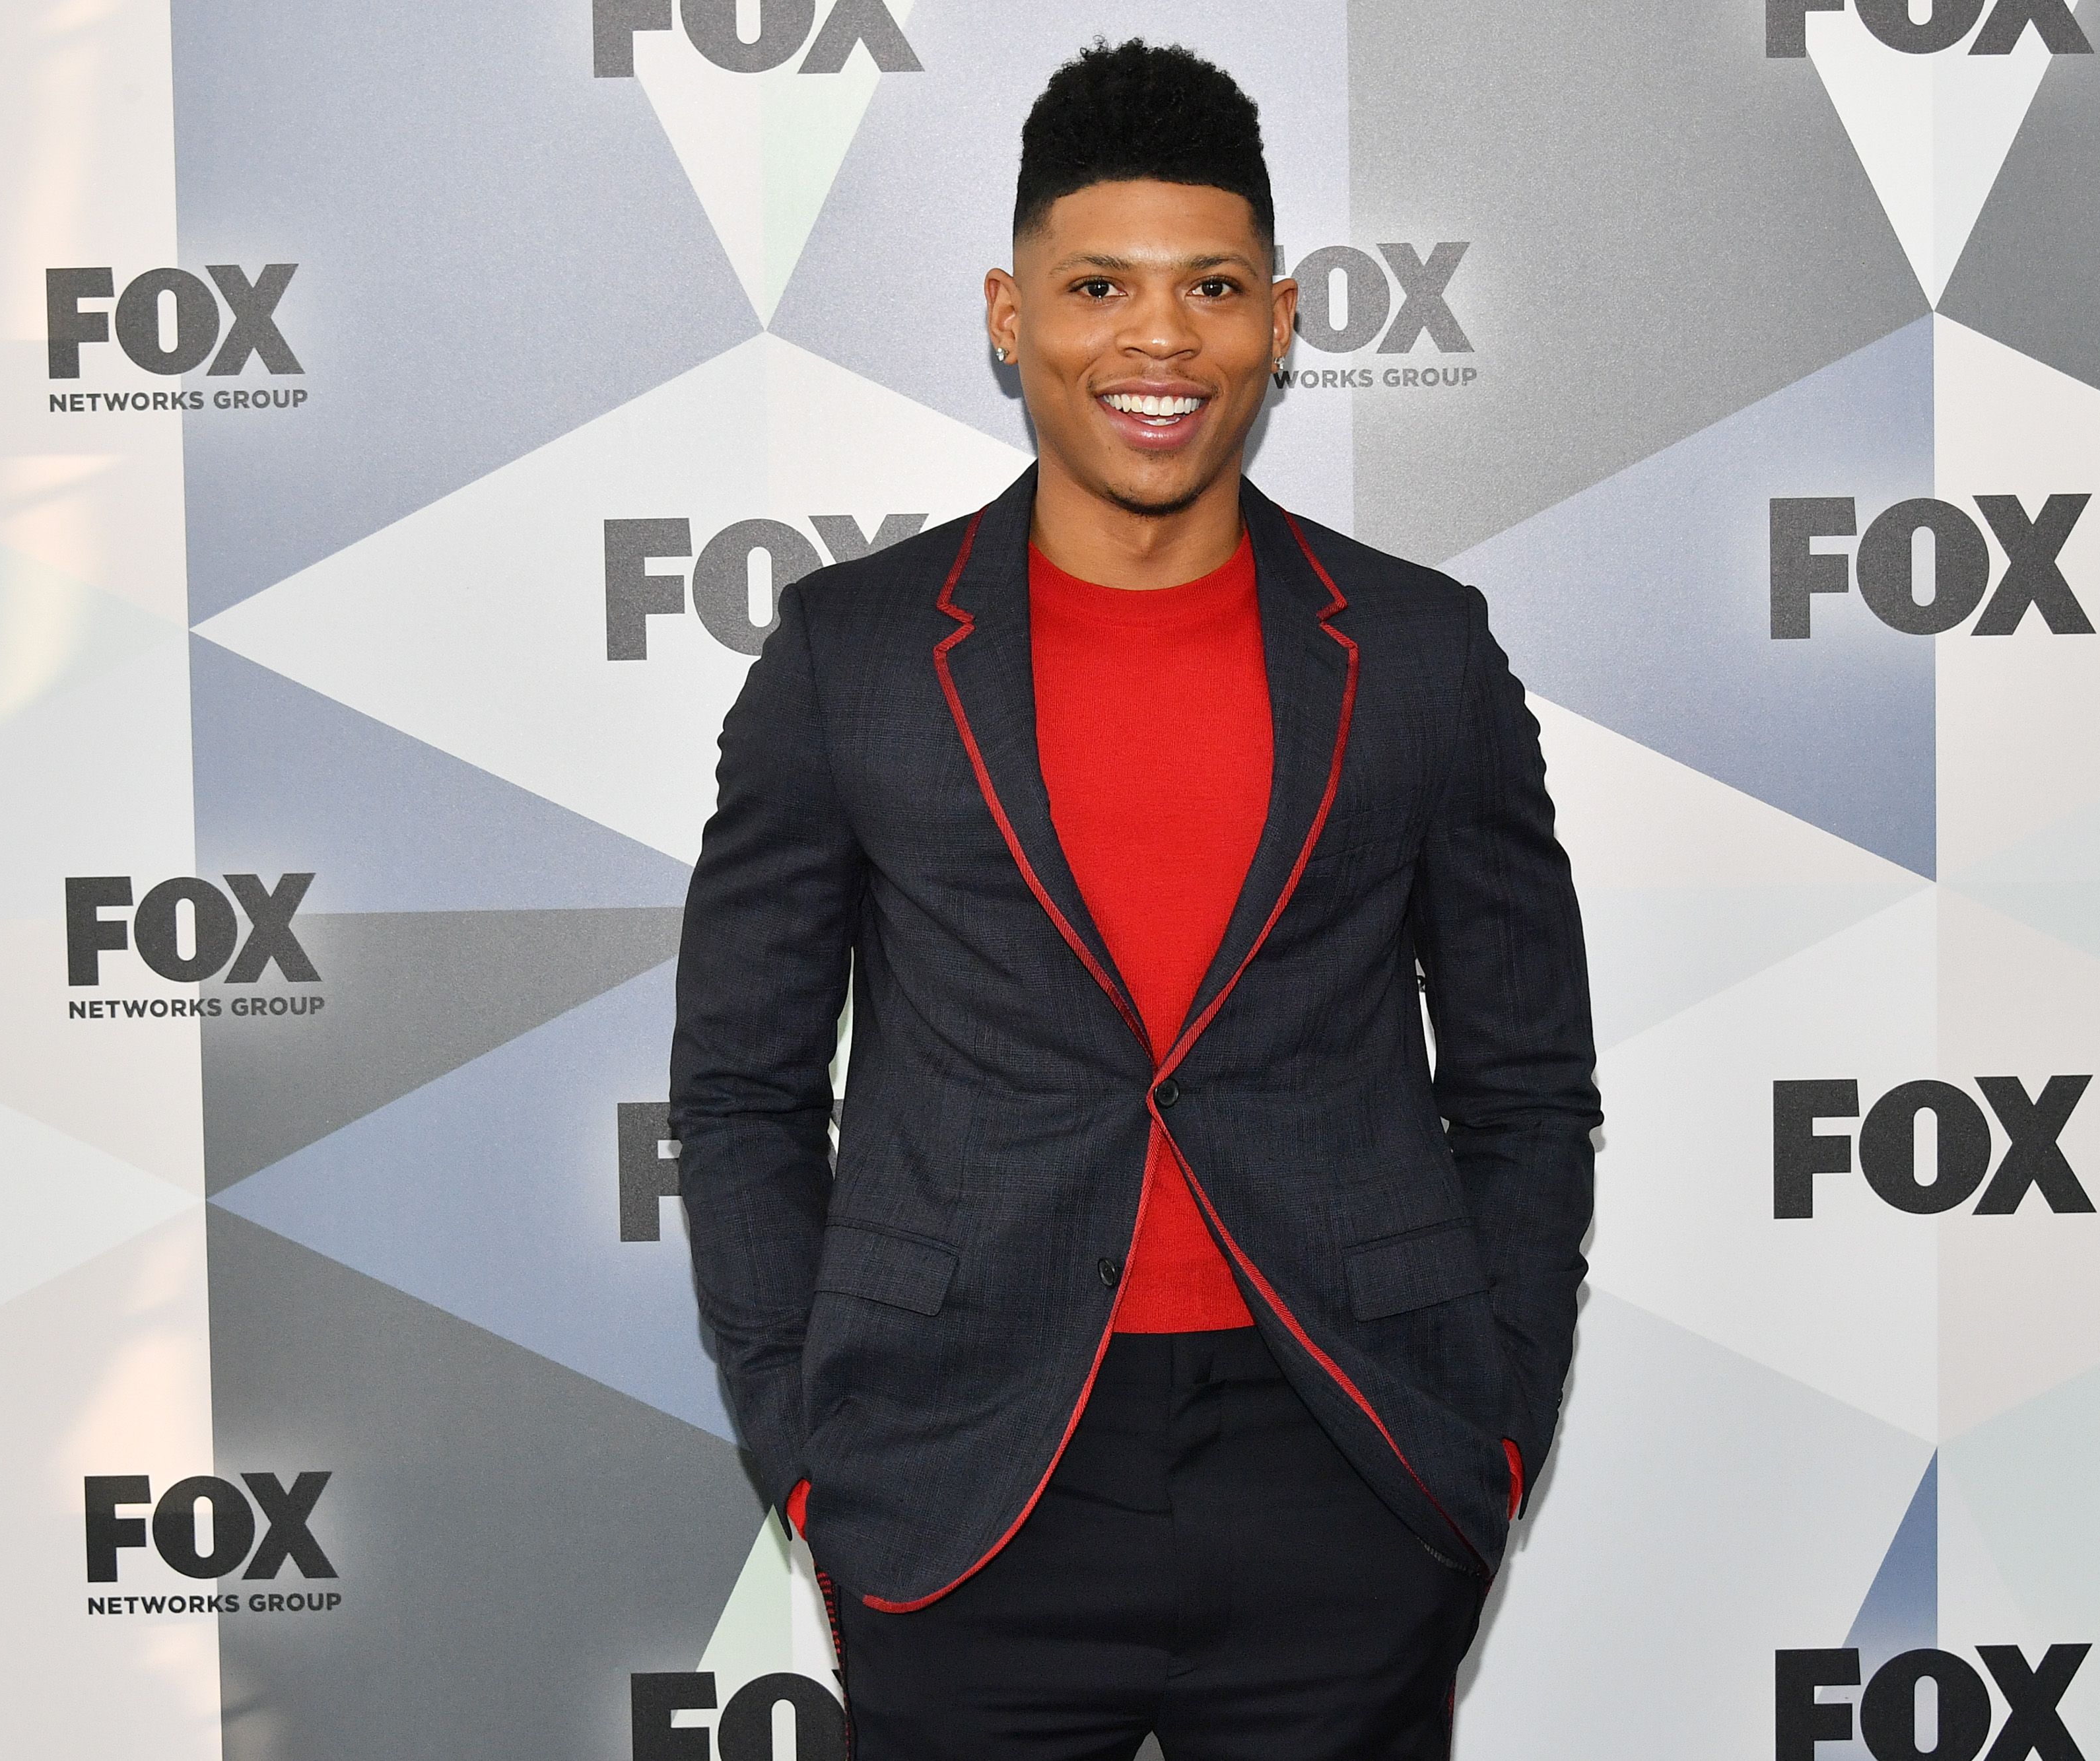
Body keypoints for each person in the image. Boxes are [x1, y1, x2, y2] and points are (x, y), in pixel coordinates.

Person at [669, 38, 1598, 1760]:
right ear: (1011, 315)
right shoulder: (848, 661)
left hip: (1348, 1466)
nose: (1158, 341)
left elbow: (1529, 1082)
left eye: (1212, 289)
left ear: (1285, 318)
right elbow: (739, 1092)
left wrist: (1498, 1430)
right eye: (1099, 286)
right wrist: (815, 1464)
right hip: (965, 1490)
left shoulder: (1418, 656)